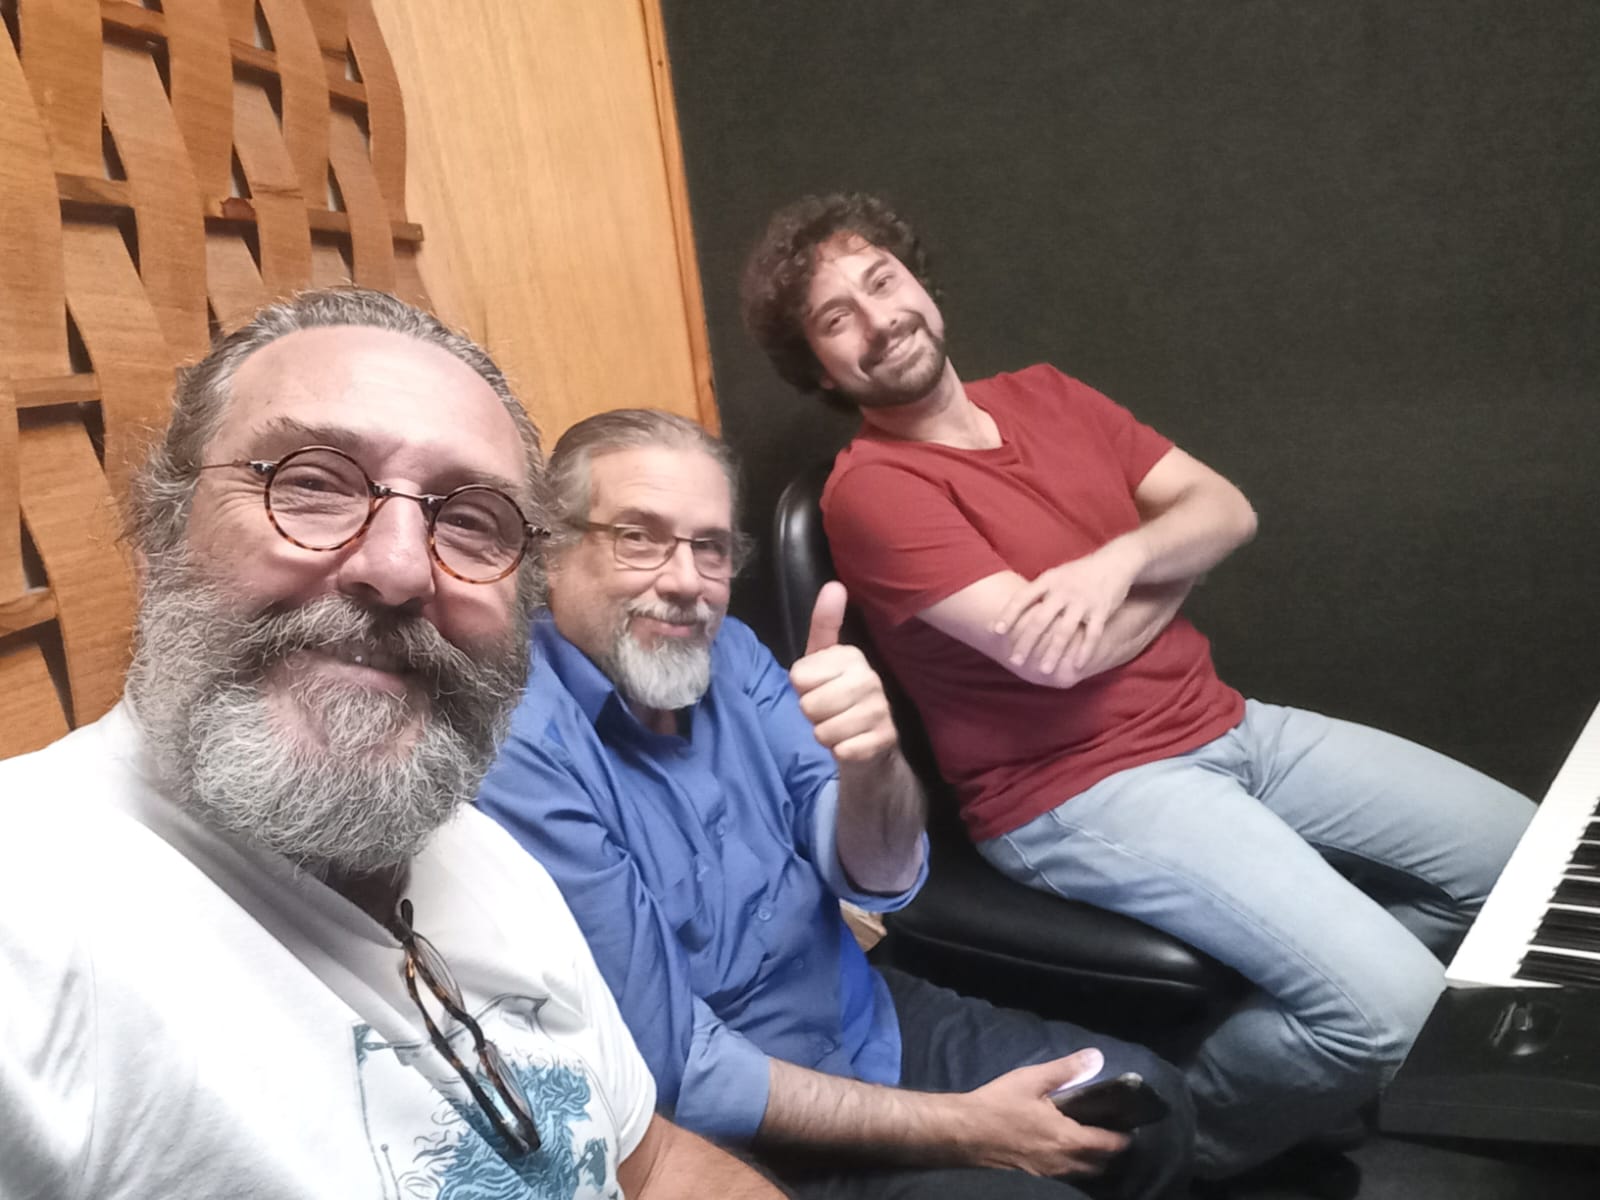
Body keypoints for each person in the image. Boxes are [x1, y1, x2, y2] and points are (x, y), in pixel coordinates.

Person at [737, 193, 1536, 1179]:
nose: (878, 319)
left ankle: (1312, 1065)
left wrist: (1115, 564)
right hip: (1079, 790)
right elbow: (1054, 657)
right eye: (836, 318)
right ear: (819, 368)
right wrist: (1179, 563)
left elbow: (1226, 508)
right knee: (1398, 1009)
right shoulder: (872, 490)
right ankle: (1171, 1148)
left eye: (881, 281)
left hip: (1230, 726)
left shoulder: (1047, 393)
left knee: (1523, 867)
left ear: (919, 283)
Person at [0, 289, 780, 1200]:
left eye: (471, 521)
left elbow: (650, 1167)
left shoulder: (481, 851)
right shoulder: (35, 911)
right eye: (312, 485)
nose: (402, 567)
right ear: (162, 532)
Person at [475, 408, 1195, 1200]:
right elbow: (679, 1067)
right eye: (638, 538)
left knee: (1146, 1108)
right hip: (746, 1127)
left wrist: (874, 761)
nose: (684, 581)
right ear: (552, 552)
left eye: (710, 547)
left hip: (858, 1015)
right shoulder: (525, 747)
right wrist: (970, 1128)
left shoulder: (733, 652)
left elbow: (877, 877)